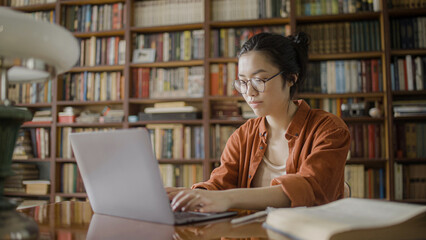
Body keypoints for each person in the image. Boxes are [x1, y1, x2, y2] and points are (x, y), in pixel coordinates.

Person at [167, 32, 351, 213]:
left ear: (290, 79)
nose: (249, 92)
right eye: (243, 82)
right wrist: (192, 195)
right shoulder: (242, 135)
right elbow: (219, 184)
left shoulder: (329, 130)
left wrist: (228, 198)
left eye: (259, 80)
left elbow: (310, 188)